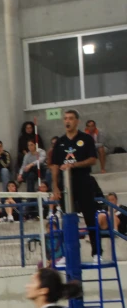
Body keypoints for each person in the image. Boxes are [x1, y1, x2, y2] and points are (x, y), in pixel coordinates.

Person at [50, 109, 101, 262]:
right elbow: (54, 166)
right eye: (65, 118)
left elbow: (93, 159)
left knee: (90, 217)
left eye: (71, 118)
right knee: (67, 219)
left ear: (77, 121)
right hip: (65, 185)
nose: (68, 121)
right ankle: (68, 254)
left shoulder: (86, 139)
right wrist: (55, 186)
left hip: (83, 181)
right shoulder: (59, 142)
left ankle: (97, 253)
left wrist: (73, 165)